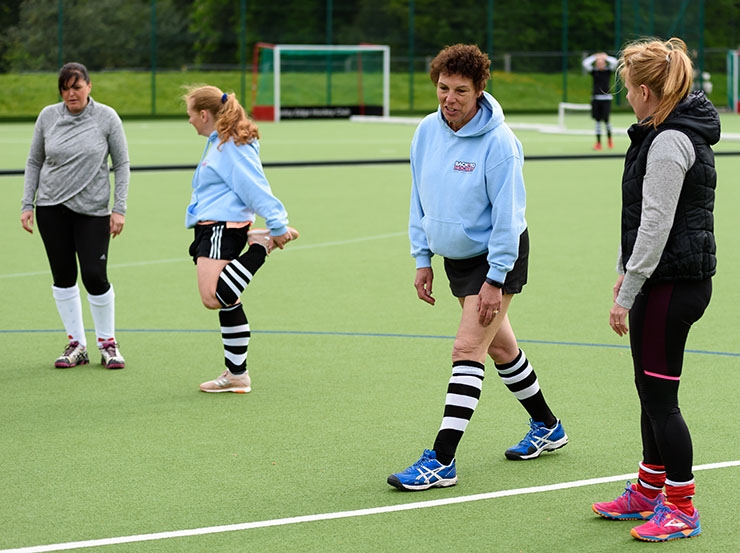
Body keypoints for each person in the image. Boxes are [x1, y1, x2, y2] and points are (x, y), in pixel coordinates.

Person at [387, 44, 568, 492]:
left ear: (480, 89)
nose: (449, 98)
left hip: (497, 256)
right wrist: (422, 257)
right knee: (501, 348)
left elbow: (508, 218)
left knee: (468, 349)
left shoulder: (501, 143)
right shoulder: (427, 131)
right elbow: (419, 198)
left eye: (460, 91)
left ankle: (441, 460)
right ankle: (548, 427)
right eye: (443, 88)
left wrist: (495, 279)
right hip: (456, 257)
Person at [591, 37, 718, 542]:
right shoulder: (663, 131)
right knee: (650, 390)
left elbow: (656, 224)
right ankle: (648, 490)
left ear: (646, 91)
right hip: (663, 277)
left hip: (674, 284)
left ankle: (682, 506)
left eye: (628, 89)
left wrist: (626, 292)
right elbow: (645, 225)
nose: (626, 98)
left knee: (662, 399)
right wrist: (630, 271)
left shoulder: (669, 142)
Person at [183, 85, 299, 394]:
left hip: (222, 227)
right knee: (227, 299)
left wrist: (276, 225)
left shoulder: (229, 146)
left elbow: (254, 186)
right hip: (212, 227)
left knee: (214, 296)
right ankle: (237, 374)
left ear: (204, 114)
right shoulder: (219, 142)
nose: (190, 120)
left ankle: (261, 245)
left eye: (191, 114)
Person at [20, 62, 129, 370]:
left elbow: (121, 164)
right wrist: (28, 204)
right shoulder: (48, 117)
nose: (71, 94)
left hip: (93, 211)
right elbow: (34, 161)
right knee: (64, 276)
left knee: (95, 275)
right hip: (51, 209)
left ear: (89, 87)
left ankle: (108, 343)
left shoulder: (106, 117)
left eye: (77, 87)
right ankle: (77, 344)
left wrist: (119, 208)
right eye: (65, 88)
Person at [582, 51, 618, 150]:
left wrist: (605, 57)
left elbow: (615, 62)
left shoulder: (608, 71)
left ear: (605, 63)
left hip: (606, 99)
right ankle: (598, 143)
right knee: (597, 121)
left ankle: (610, 141)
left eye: (602, 62)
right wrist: (594, 56)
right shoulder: (594, 72)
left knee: (606, 121)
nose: (600, 64)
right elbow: (585, 63)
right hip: (596, 99)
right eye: (598, 63)